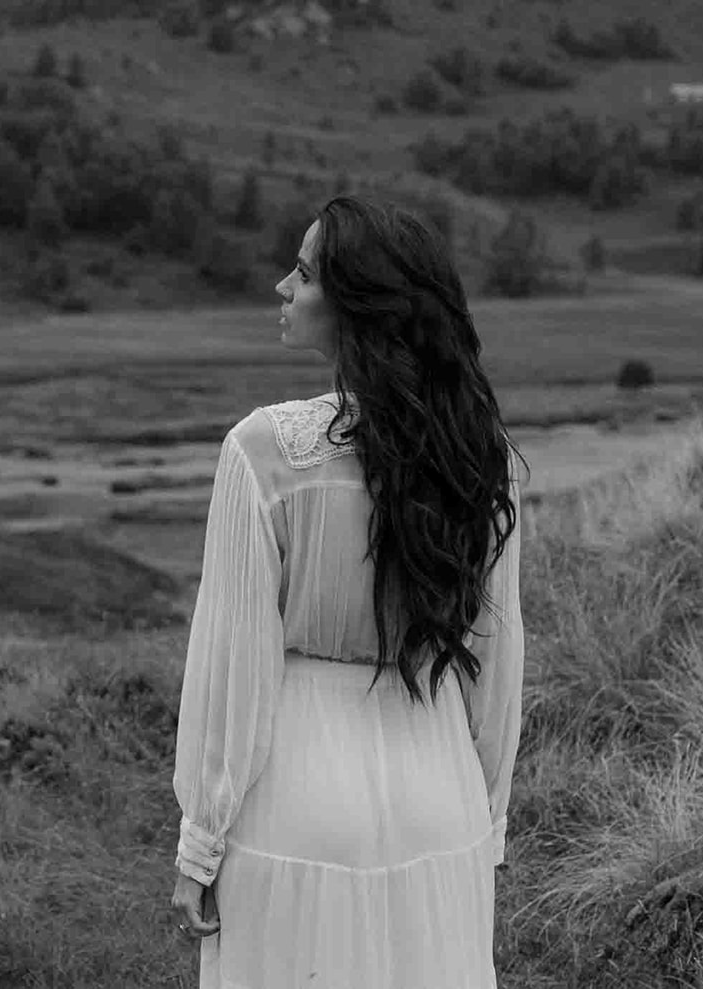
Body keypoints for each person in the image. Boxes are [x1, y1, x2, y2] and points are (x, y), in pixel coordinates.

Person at [168, 197, 526, 988]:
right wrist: (487, 819)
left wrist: (201, 841)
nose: (281, 287)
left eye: (302, 271)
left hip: (295, 797)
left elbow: (234, 665)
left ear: (355, 303)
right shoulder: (479, 454)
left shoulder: (263, 451)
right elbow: (497, 667)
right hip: (443, 793)